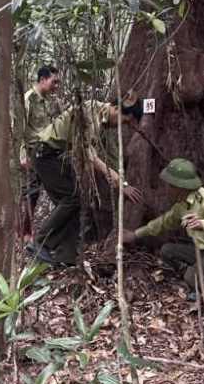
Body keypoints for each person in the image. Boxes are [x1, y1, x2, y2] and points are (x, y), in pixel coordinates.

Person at [123, 158, 204, 332]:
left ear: (180, 186)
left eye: (170, 185)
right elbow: (162, 223)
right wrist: (134, 235)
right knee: (168, 251)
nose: (168, 189)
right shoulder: (181, 206)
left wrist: (202, 223)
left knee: (194, 274)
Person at [28, 97, 143, 266]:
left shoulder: (103, 122)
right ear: (117, 109)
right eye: (124, 120)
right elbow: (90, 156)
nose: (121, 125)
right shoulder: (91, 114)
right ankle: (40, 242)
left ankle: (65, 257)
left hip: (56, 157)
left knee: (78, 203)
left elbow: (110, 156)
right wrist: (113, 177)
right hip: (45, 155)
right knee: (72, 199)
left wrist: (122, 183)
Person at [17, 66, 60, 237]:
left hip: (47, 152)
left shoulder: (49, 100)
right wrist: (22, 154)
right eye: (54, 81)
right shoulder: (29, 99)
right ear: (42, 79)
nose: (56, 85)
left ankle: (35, 232)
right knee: (31, 193)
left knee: (49, 190)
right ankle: (24, 232)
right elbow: (19, 127)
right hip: (32, 152)